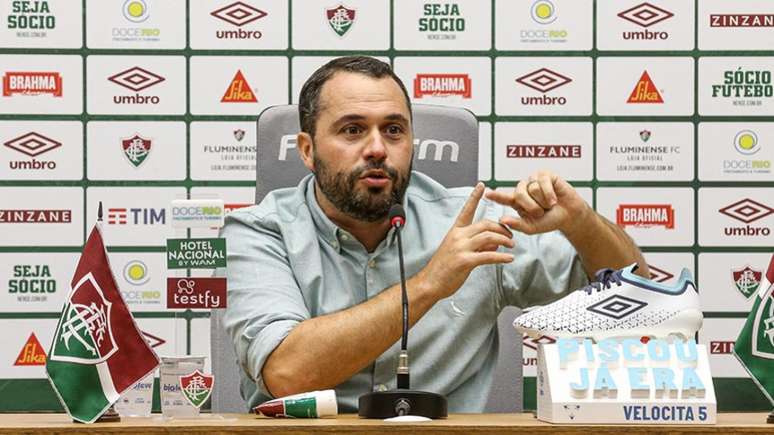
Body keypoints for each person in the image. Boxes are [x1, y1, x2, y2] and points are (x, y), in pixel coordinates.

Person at [221, 56, 648, 412]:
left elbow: (640, 303)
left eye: (393, 130)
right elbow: (288, 373)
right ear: (308, 150)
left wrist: (583, 224)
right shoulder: (261, 231)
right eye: (352, 130)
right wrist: (430, 284)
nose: (376, 148)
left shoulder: (475, 220)